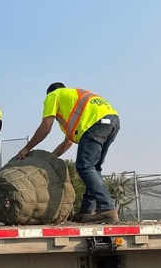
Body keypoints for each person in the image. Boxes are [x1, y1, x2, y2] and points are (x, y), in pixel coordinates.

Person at [17, 82, 120, 224]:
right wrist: (48, 160)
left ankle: (107, 209)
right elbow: (67, 143)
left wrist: (26, 148)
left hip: (95, 124)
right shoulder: (73, 100)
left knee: (84, 167)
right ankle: (87, 211)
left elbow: (45, 127)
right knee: (93, 168)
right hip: (112, 121)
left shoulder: (53, 95)